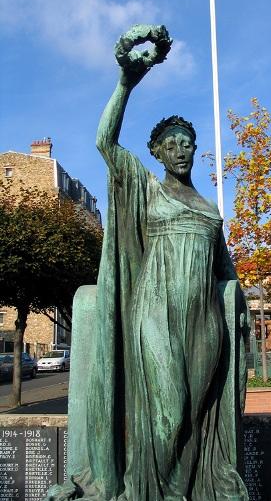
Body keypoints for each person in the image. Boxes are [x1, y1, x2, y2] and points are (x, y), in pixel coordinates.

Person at [46, 25, 248, 501]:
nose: (181, 149)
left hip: (203, 322)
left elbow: (225, 268)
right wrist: (125, 84)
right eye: (171, 143)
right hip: (155, 313)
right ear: (157, 152)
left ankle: (178, 493)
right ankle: (147, 490)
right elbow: (105, 142)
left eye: (187, 142)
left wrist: (238, 304)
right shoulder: (146, 187)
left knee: (197, 416)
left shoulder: (210, 208)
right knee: (169, 411)